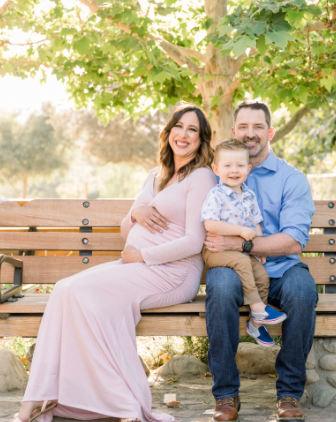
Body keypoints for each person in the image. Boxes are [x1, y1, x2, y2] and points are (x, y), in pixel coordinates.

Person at [12, 104, 217, 422]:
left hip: (172, 272)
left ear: (202, 139)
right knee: (66, 289)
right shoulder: (156, 175)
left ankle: (122, 403)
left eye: (193, 130)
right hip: (135, 266)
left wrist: (144, 255)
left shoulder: (202, 177)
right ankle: (39, 397)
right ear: (169, 131)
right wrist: (136, 213)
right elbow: (126, 228)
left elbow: (194, 241)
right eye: (179, 126)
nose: (184, 134)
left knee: (80, 293)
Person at [204, 101, 317, 422]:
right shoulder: (218, 173)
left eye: (257, 128)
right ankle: (225, 395)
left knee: (302, 291)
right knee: (221, 285)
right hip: (232, 269)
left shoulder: (291, 179)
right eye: (243, 127)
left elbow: (294, 240)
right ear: (233, 132)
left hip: (281, 269)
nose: (250, 134)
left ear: (269, 132)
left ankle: (289, 394)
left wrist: (241, 243)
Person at [201, 139, 287, 348]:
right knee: (242, 262)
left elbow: (255, 223)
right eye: (227, 165)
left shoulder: (249, 195)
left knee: (262, 276)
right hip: (215, 250)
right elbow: (210, 224)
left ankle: (256, 325)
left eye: (240, 165)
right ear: (216, 169)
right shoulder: (217, 194)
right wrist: (239, 231)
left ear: (248, 169)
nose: (234, 170)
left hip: (244, 252)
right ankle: (258, 307)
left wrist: (259, 247)